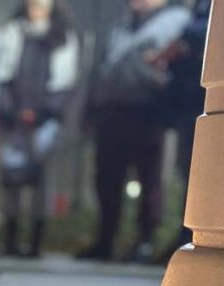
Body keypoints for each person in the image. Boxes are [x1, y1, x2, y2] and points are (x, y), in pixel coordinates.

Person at [79, 0, 191, 262]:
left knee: (149, 179)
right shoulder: (120, 27)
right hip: (112, 111)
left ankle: (144, 241)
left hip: (148, 111)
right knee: (107, 179)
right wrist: (91, 109)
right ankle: (105, 239)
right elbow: (101, 70)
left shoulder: (177, 22)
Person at [0, 0, 79, 258]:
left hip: (46, 119)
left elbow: (65, 81)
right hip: (13, 118)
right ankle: (10, 239)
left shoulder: (63, 35)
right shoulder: (11, 31)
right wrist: (12, 111)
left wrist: (44, 113)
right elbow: (1, 75)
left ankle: (35, 242)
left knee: (41, 180)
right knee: (11, 178)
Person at [152, 0, 212, 253]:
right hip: (189, 100)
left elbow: (206, 30)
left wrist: (181, 42)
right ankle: (185, 235)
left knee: (200, 173)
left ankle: (193, 236)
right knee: (188, 173)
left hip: (205, 99)